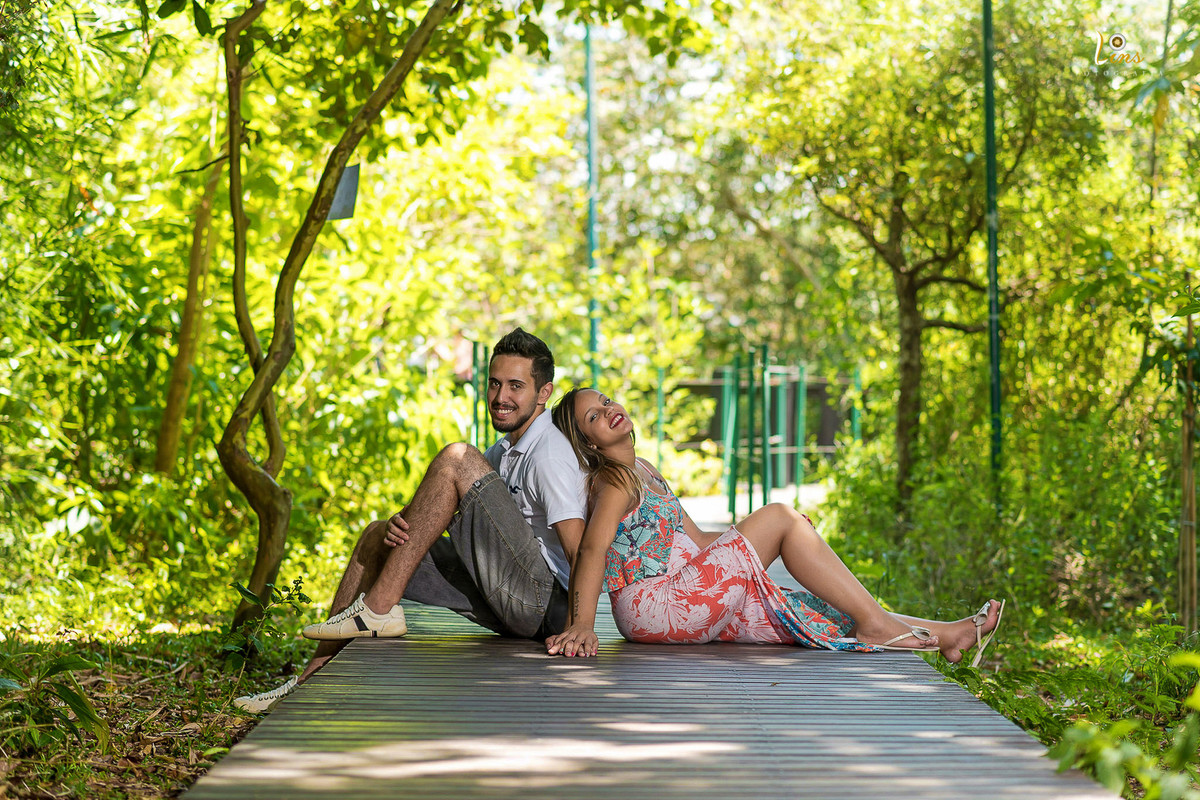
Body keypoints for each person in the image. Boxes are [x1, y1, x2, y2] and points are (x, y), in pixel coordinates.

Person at [235, 329, 587, 712]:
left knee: (457, 456)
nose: (501, 397)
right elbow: (445, 513)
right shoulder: (504, 450)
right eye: (495, 384)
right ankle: (311, 677)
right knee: (376, 538)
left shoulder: (549, 451)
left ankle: (378, 610)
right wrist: (400, 528)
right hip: (509, 599)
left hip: (544, 606)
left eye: (515, 386)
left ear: (543, 393)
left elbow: (581, 549)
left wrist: (580, 626)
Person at [545, 387, 1004, 664]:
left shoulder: (643, 468)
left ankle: (946, 634)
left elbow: (703, 540)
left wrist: (767, 542)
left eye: (605, 401)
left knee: (812, 609)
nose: (609, 410)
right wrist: (584, 624)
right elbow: (591, 550)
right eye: (593, 416)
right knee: (779, 515)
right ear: (588, 442)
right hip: (657, 607)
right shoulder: (612, 480)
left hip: (687, 597)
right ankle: (879, 626)